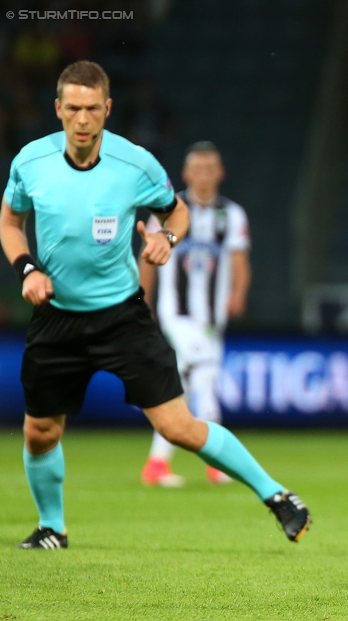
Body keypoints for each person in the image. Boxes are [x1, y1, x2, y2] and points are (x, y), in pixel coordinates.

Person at [0, 61, 310, 550]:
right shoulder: (30, 162)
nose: (82, 120)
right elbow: (10, 223)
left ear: (108, 110)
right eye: (73, 108)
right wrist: (26, 269)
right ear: (58, 109)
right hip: (56, 316)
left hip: (121, 316)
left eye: (92, 109)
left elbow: (178, 212)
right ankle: (51, 528)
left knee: (177, 426)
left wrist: (167, 238)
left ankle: (277, 496)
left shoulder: (135, 164)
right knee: (39, 430)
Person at [139, 141, 251, 488]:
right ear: (186, 174)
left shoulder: (231, 215)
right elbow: (148, 258)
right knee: (204, 380)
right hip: (177, 315)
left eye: (210, 168)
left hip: (212, 320)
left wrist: (238, 294)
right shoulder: (167, 212)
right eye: (197, 169)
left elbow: (239, 262)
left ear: (220, 173)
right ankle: (218, 462)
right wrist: (143, 300)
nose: (204, 175)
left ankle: (156, 464)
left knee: (185, 388)